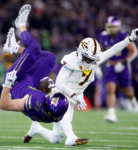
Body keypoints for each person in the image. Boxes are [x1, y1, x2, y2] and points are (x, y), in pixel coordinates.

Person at [24, 7, 138, 145]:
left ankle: (36, 128)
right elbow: (59, 83)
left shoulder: (94, 59)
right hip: (61, 93)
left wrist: (130, 38)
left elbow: (113, 50)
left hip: (75, 95)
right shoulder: (71, 60)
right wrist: (74, 96)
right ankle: (71, 137)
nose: (92, 62)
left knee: (56, 138)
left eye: (94, 59)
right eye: (89, 58)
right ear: (81, 53)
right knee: (63, 108)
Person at [1, 4, 88, 146]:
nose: (53, 93)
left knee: (34, 49)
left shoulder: (33, 101)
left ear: (47, 100)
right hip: (31, 84)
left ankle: (21, 25)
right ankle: (14, 47)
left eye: (52, 95)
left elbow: (4, 105)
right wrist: (71, 135)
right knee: (49, 58)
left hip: (17, 81)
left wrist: (7, 84)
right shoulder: (54, 114)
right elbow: (60, 115)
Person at [99, 16, 138, 122]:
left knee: (127, 90)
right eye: (109, 26)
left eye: (113, 26)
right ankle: (111, 113)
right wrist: (96, 65)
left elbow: (134, 51)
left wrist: (124, 62)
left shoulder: (124, 35)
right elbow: (99, 52)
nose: (111, 28)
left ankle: (134, 101)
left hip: (123, 66)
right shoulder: (103, 36)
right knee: (110, 88)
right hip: (110, 65)